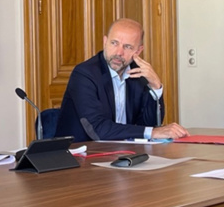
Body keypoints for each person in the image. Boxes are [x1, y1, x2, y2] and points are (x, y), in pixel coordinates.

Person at [55, 18, 190, 142]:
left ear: (138, 51)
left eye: (127, 47)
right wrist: (153, 132)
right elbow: (98, 129)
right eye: (114, 43)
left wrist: (156, 86)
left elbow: (149, 123)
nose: (119, 52)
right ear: (105, 42)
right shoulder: (84, 74)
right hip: (82, 156)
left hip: (123, 152)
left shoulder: (138, 73)